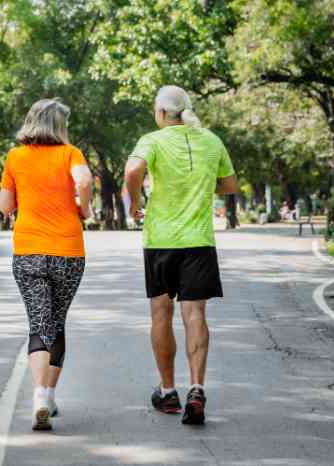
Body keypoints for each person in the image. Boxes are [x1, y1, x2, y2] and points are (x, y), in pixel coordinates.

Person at [124, 85, 238, 425]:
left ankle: (169, 392)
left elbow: (132, 172)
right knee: (195, 315)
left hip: (160, 241)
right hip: (199, 242)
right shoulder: (211, 140)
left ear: (161, 113)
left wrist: (137, 203)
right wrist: (203, 186)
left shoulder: (152, 140)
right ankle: (197, 388)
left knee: (161, 315)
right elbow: (230, 185)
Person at [0, 98, 93, 431]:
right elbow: (83, 181)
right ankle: (48, 395)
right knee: (57, 320)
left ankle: (40, 395)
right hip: (68, 252)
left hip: (28, 252)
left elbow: (6, 207)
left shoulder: (15, 156)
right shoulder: (71, 154)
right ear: (59, 125)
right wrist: (84, 209)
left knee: (40, 322)